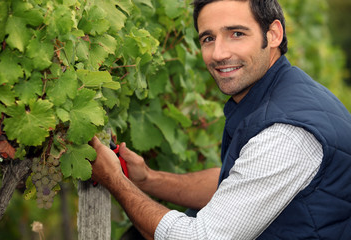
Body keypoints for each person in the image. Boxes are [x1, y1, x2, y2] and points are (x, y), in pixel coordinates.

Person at [90, 0, 351, 239]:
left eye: (236, 34)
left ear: (273, 34)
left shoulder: (285, 133)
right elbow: (236, 182)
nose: (218, 53)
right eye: (208, 38)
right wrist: (147, 178)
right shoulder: (280, 93)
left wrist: (115, 180)